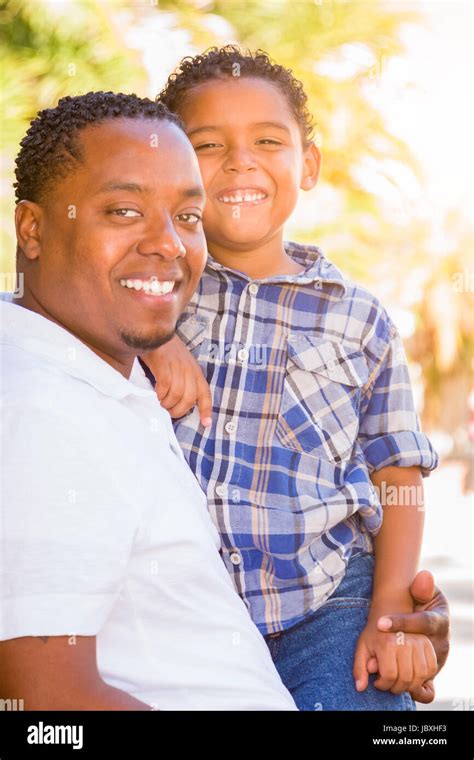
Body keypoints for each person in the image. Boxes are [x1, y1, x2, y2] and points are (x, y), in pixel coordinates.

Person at [142, 47, 450, 710]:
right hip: (180, 610)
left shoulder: (358, 316)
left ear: (307, 166)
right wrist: (155, 339)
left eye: (268, 141)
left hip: (328, 605)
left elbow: (398, 471)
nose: (240, 161)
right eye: (207, 144)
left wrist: (390, 612)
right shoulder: (150, 295)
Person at [0, 92, 297, 711]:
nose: (169, 244)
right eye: (125, 210)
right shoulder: (44, 414)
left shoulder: (98, 377)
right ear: (32, 229)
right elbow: (46, 704)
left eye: (187, 217)